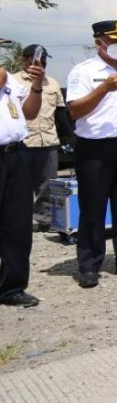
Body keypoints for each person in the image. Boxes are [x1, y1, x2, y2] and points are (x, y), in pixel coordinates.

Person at [65, 20, 117, 288]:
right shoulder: (83, 71)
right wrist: (104, 88)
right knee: (93, 207)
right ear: (99, 42)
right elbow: (74, 110)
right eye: (114, 41)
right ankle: (89, 265)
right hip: (94, 146)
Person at [0, 62, 44, 307]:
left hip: (16, 155)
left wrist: (36, 87)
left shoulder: (9, 80)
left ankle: (12, 288)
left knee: (17, 225)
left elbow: (29, 113)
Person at [14, 44, 63, 231]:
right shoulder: (14, 81)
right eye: (36, 59)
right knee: (21, 186)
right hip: (24, 141)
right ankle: (21, 222)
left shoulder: (52, 83)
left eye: (44, 60)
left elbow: (60, 112)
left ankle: (45, 219)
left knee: (48, 185)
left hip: (48, 140)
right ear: (24, 60)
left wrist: (69, 136)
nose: (41, 63)